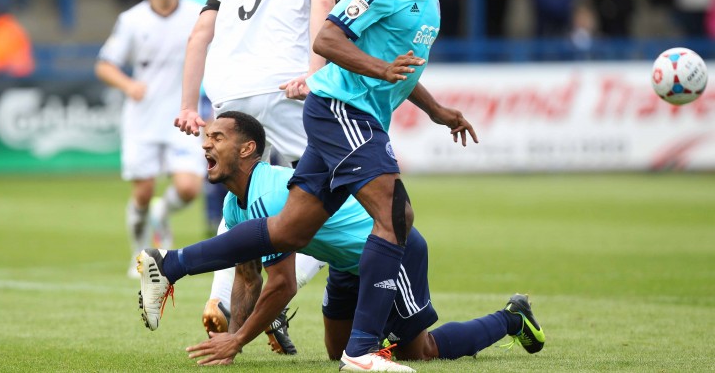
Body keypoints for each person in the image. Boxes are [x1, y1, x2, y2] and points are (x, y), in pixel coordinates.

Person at [143, 0, 477, 372]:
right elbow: (326, 36)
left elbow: (401, 67)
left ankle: (169, 264)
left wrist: (436, 109)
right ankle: (360, 353)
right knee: (395, 217)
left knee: (288, 228)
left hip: (310, 103)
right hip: (340, 107)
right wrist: (376, 70)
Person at [179, 111, 544, 366]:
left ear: (246, 150)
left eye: (216, 137)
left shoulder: (269, 193)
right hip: (346, 264)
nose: (205, 145)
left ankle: (512, 318)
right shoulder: (233, 203)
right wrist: (232, 346)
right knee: (340, 355)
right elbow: (247, 276)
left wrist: (237, 338)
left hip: (390, 252)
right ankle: (384, 332)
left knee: (420, 352)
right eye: (206, 137)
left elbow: (283, 284)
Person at [176, 0, 341, 353]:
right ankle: (273, 298)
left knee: (243, 202)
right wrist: (314, 72)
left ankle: (220, 299)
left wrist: (191, 105)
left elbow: (199, 33)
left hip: (230, 98)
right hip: (285, 91)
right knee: (327, 204)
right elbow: (324, 5)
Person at [95, 0, 205, 278]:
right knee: (142, 191)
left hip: (182, 117)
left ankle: (163, 212)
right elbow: (104, 64)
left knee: (188, 188)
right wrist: (129, 86)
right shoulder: (132, 20)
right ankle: (139, 255)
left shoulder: (197, 15)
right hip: (142, 118)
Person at [182, 0, 238, 235]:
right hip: (207, 90)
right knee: (215, 154)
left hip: (236, 83)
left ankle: (238, 215)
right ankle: (214, 214)